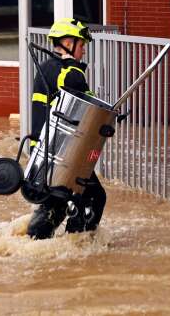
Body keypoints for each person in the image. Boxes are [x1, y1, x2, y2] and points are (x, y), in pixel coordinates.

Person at [26, 18, 106, 240]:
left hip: (43, 151)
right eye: (81, 45)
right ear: (68, 43)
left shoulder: (45, 67)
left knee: (55, 203)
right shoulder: (69, 72)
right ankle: (78, 246)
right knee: (95, 197)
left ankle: (35, 240)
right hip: (62, 154)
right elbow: (90, 107)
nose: (83, 52)